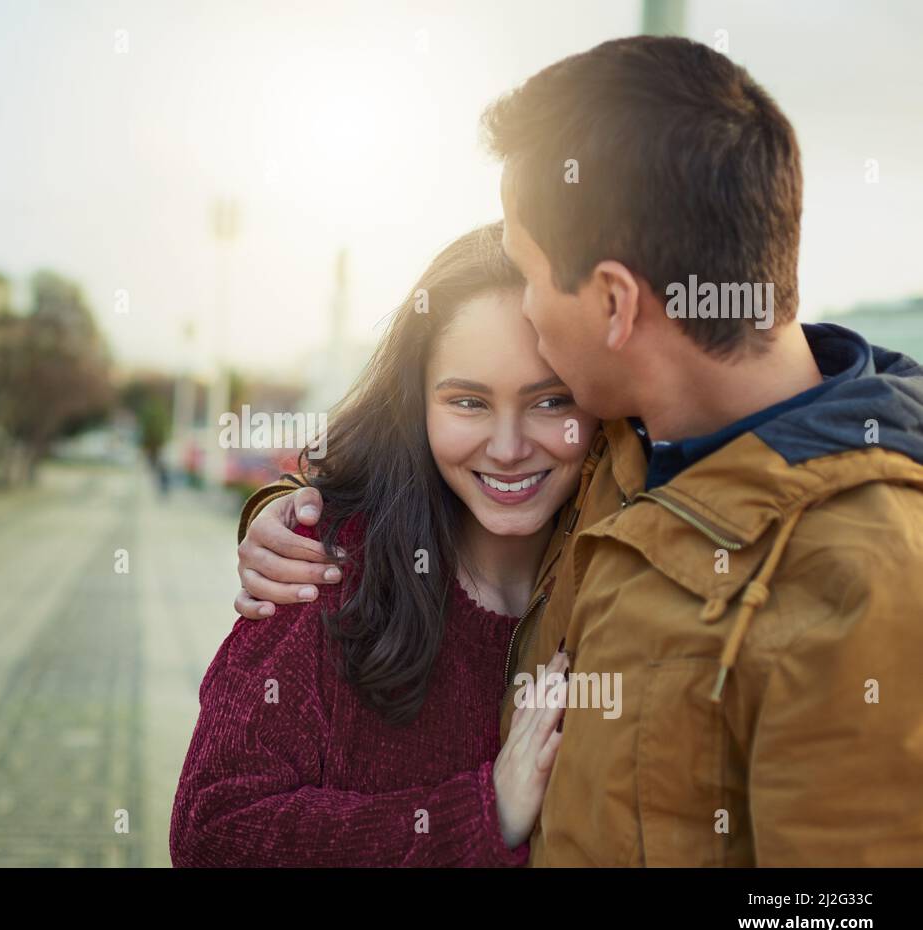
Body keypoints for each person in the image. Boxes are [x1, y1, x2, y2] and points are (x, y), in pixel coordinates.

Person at [232, 36, 923, 866]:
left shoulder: (871, 593)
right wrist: (294, 512)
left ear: (614, 303)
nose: (524, 306)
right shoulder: (619, 444)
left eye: (528, 272)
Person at [169, 223, 594, 866]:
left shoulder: (618, 571)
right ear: (417, 403)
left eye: (549, 400)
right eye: (469, 402)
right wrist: (482, 816)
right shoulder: (325, 569)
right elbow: (215, 831)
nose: (508, 448)